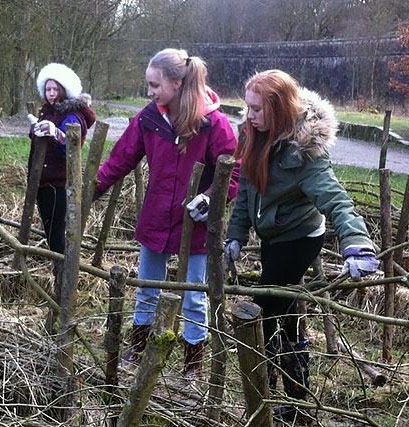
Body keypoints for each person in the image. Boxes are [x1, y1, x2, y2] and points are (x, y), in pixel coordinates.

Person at [225, 69, 379, 420]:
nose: (248, 115)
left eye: (256, 109)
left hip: (299, 238)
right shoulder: (253, 135)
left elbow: (335, 199)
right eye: (247, 107)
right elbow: (248, 191)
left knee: (263, 310)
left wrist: (357, 241)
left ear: (278, 109)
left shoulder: (305, 150)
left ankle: (268, 391)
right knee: (286, 309)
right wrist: (236, 234)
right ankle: (297, 400)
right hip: (272, 235)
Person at [94, 48, 240, 387]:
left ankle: (193, 366)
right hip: (156, 218)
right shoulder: (149, 118)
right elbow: (122, 157)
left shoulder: (213, 124)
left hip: (196, 225)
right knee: (146, 288)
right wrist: (94, 187)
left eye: (155, 85)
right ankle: (138, 348)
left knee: (193, 296)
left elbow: (232, 174)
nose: (150, 92)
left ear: (177, 82)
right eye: (148, 85)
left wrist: (208, 199)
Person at [28, 63, 96, 259]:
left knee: (57, 235)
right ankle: (58, 267)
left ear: (64, 90)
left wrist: (57, 133)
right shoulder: (48, 111)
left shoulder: (73, 115)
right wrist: (37, 128)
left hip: (57, 183)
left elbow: (69, 145)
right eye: (48, 89)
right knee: (50, 231)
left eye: (55, 89)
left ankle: (62, 273)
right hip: (42, 179)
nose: (51, 93)